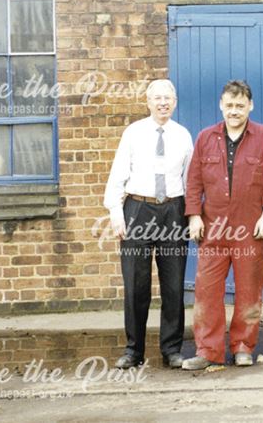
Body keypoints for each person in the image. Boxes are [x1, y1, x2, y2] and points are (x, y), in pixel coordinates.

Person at [180, 80, 263, 370]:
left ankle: (243, 346)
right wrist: (194, 215)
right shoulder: (205, 137)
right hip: (213, 227)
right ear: (221, 105)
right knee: (207, 289)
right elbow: (194, 180)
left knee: (249, 288)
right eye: (229, 105)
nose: (234, 111)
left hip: (251, 227)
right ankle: (208, 350)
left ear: (250, 106)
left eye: (240, 105)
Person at [104, 79, 193, 369]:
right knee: (136, 284)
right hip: (137, 209)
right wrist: (117, 212)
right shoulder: (134, 133)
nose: (163, 103)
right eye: (157, 98)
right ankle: (134, 350)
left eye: (168, 98)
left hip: (172, 210)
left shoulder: (182, 136)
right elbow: (118, 174)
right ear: (148, 101)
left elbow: (190, 180)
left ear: (175, 102)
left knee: (173, 283)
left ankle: (172, 350)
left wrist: (191, 215)